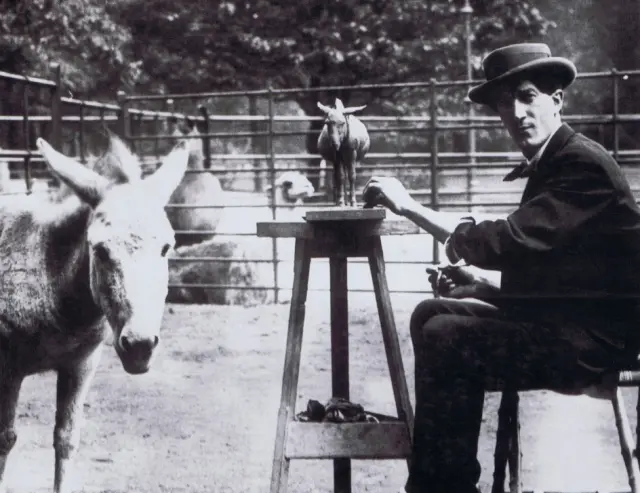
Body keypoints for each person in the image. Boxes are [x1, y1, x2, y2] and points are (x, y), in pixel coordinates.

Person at [362, 43, 640, 493]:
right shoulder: (554, 161)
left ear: (557, 100)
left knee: (447, 336)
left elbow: (507, 240)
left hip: (600, 340)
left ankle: (442, 487)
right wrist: (484, 287)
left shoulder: (582, 163)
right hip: (570, 321)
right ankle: (445, 481)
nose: (517, 114)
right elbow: (558, 271)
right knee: (431, 313)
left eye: (527, 97)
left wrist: (409, 206)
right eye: (504, 104)